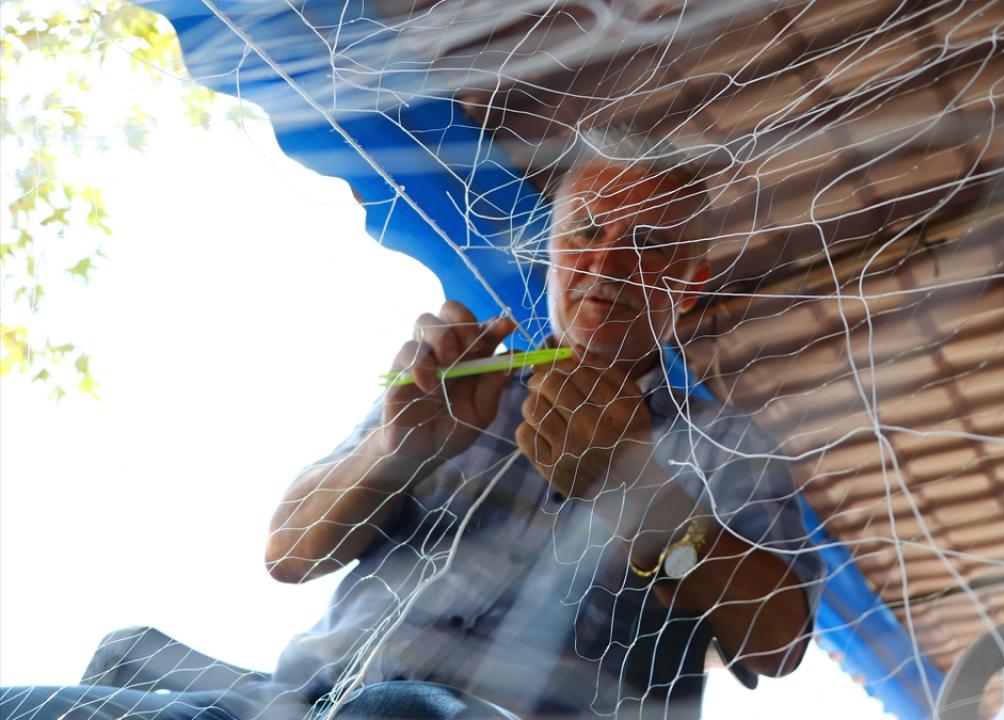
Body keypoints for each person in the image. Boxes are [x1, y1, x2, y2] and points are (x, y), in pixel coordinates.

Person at [0, 134, 823, 720]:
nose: (607, 266)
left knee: (399, 711)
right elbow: (287, 553)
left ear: (691, 282)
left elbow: (779, 642)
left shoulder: (728, 445)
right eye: (587, 233)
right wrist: (397, 449)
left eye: (648, 245)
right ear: (550, 249)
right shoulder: (462, 382)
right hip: (293, 703)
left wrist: (635, 486)